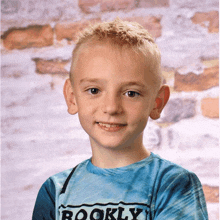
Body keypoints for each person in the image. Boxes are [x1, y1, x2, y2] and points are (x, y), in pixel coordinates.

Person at [32, 18, 208, 220]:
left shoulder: (172, 184)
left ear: (157, 103)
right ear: (72, 98)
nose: (111, 108)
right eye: (94, 90)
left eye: (131, 93)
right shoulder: (55, 191)